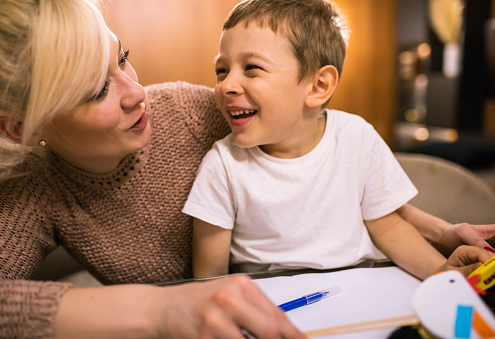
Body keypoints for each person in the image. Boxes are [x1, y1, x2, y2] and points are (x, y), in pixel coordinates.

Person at [0, 0, 492, 338]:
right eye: (96, 89)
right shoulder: (33, 192)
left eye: (124, 58)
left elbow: (350, 184)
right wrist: (157, 311)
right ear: (23, 129)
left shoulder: (196, 109)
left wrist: (442, 235)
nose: (137, 92)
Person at [184, 0, 494, 280]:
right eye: (221, 71)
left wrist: (442, 275)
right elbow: (210, 279)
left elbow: (388, 226)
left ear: (319, 85)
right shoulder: (222, 165)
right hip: (270, 302)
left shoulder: (355, 136)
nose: (226, 86)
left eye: (251, 68)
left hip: (361, 284)